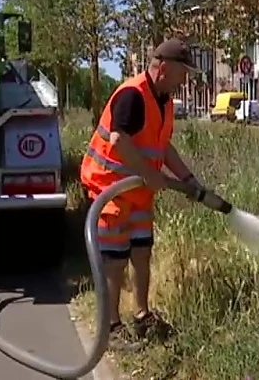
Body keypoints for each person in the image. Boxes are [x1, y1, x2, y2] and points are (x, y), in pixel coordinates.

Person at [80, 38, 202, 351]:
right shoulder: (133, 94)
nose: (185, 80)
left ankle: (142, 314)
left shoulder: (164, 101)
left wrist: (187, 178)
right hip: (110, 189)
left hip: (138, 191)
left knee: (142, 253)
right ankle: (111, 328)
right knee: (114, 262)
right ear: (162, 68)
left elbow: (163, 147)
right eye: (182, 72)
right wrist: (149, 174)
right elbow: (119, 139)